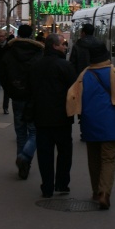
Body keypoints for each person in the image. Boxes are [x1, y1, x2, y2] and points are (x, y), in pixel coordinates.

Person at [67, 40, 115, 210]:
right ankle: (104, 193)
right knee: (108, 159)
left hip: (89, 125)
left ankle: (95, 190)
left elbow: (74, 98)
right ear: (106, 56)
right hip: (111, 125)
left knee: (93, 160)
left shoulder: (83, 76)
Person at [28, 33, 77, 198]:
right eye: (63, 44)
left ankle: (47, 187)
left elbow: (30, 89)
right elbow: (74, 90)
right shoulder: (65, 65)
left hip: (41, 117)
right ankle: (62, 184)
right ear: (55, 46)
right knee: (64, 152)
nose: (65, 46)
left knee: (44, 154)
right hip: (62, 117)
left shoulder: (35, 65)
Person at [0, 23, 43, 179]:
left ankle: (22, 166)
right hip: (32, 98)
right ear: (31, 35)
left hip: (16, 96)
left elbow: (2, 73)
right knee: (34, 131)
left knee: (20, 131)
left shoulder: (9, 51)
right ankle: (25, 157)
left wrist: (10, 91)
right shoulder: (38, 52)